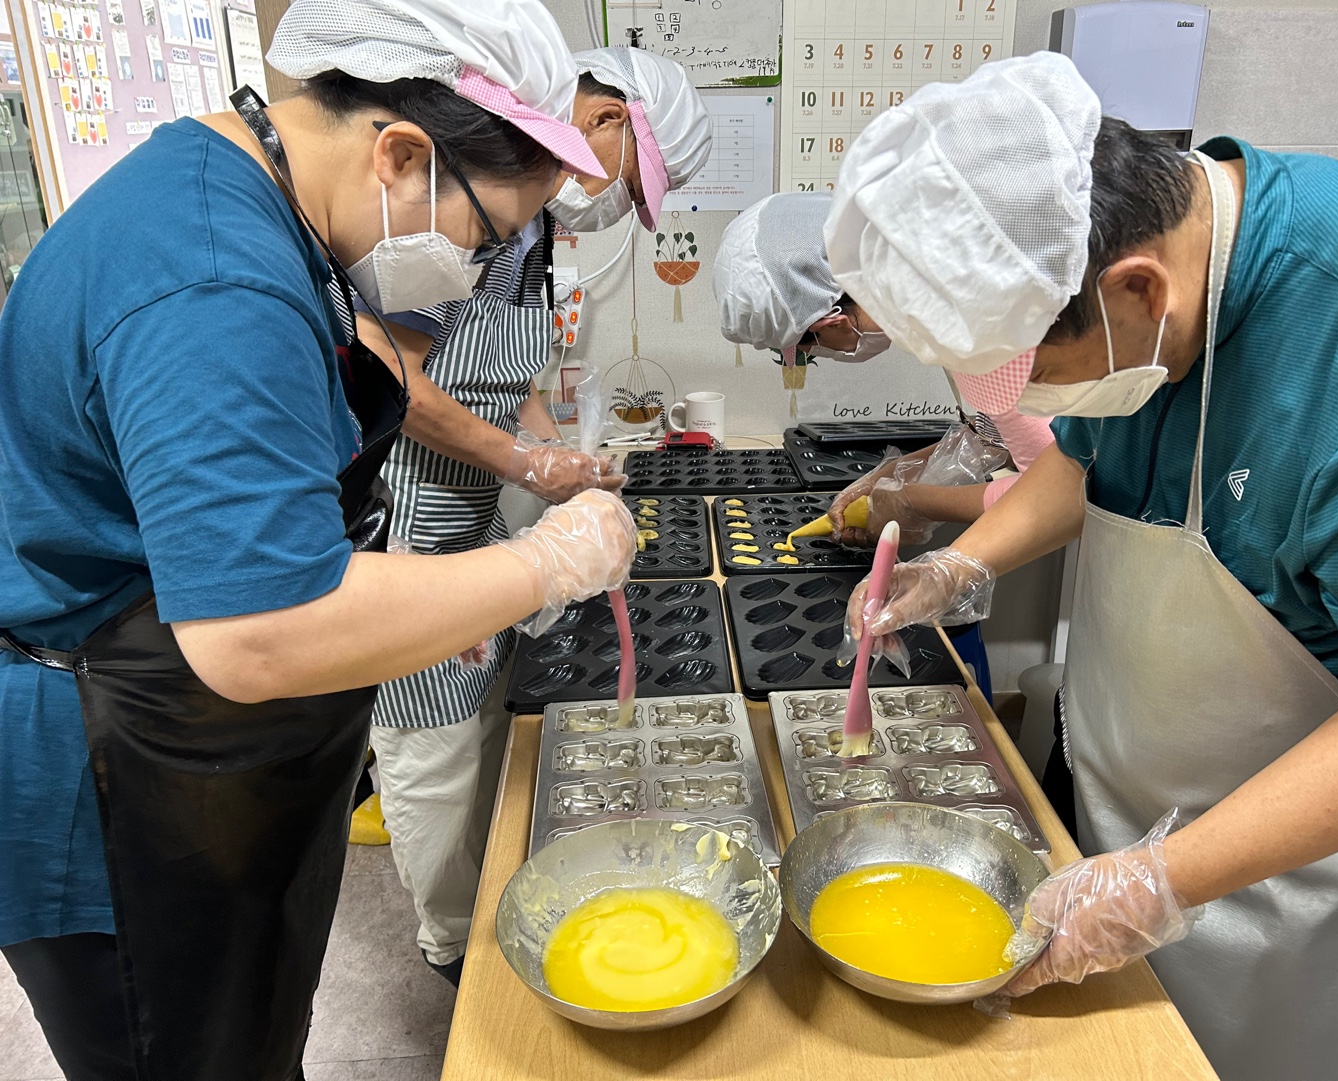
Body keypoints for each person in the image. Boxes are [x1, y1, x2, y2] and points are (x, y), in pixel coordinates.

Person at [0, 1, 637, 1078]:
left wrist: (422, 610)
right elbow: (256, 630)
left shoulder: (256, 205)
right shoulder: (212, 279)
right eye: (487, 234)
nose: (477, 266)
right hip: (118, 781)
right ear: (401, 154)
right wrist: (540, 563)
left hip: (203, 744)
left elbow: (258, 523)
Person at [828, 52, 1338, 1081]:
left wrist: (1156, 882)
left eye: (1043, 374)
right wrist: (959, 565)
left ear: (1138, 289)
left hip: (1300, 881)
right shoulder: (1146, 306)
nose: (1040, 404)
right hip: (1122, 812)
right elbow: (1083, 457)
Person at [342, 45, 713, 986]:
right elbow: (394, 373)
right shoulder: (469, 202)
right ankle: (453, 949)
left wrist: (560, 465)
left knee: (482, 728)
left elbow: (512, 380)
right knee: (434, 750)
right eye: (632, 183)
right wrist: (523, 461)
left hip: (474, 511)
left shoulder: (533, 229)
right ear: (607, 121)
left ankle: (492, 906)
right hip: (412, 516)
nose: (619, 205)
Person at [711, 190, 1053, 698]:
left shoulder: (980, 329)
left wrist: (914, 501)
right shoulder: (945, 314)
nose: (814, 356)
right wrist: (895, 474)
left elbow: (1057, 489)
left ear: (833, 316)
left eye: (807, 344)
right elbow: (992, 433)